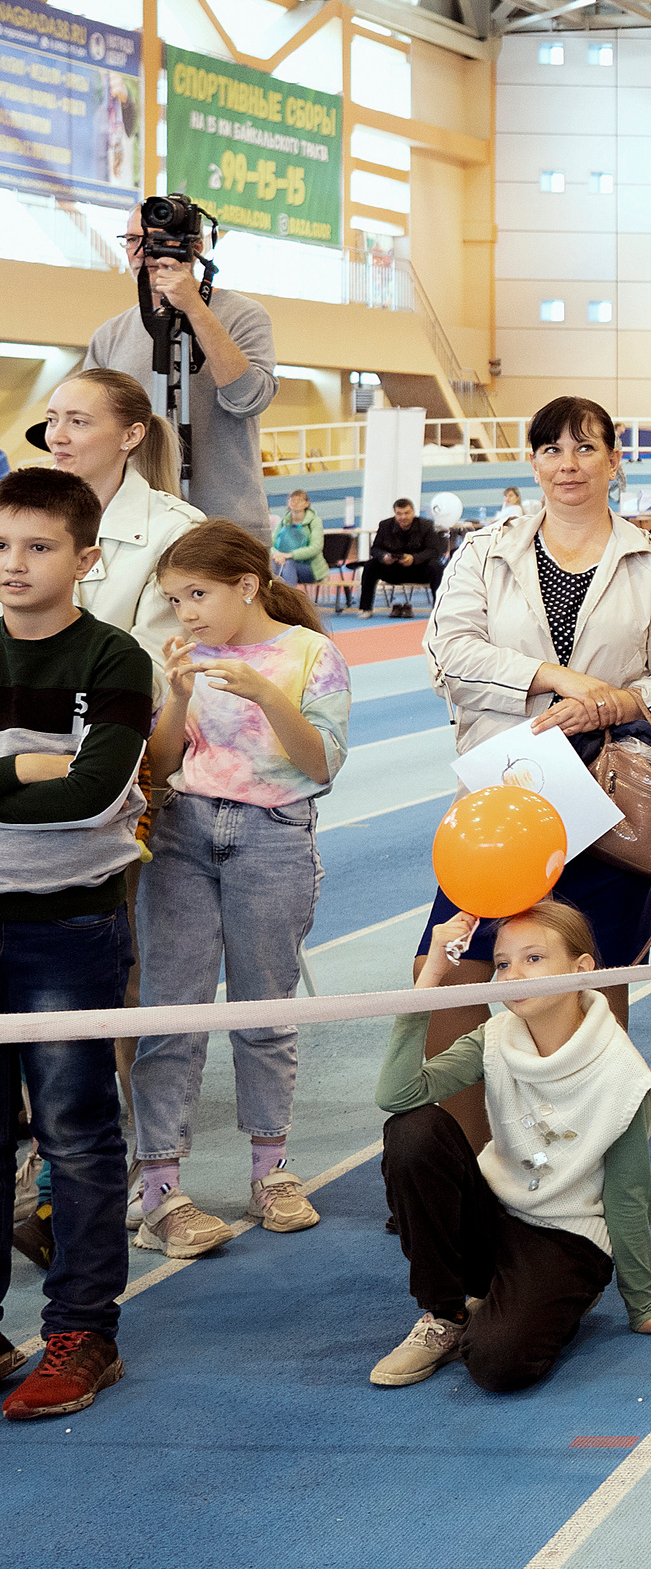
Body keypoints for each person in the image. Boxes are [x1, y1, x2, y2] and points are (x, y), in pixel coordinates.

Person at [419, 396, 651, 1149]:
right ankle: (465, 1159)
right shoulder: (487, 551)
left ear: (615, 460)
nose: (568, 464)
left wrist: (615, 701)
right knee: (451, 976)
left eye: (586, 448)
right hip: (501, 801)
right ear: (534, 460)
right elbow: (450, 651)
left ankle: (584, 1162)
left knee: (594, 984)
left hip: (607, 805)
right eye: (551, 449)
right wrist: (555, 678)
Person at [372, 903, 651, 1391]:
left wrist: (643, 1305)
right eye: (502, 963)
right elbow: (397, 1097)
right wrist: (430, 976)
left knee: (498, 1365)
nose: (514, 975)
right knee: (413, 1130)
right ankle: (447, 1312)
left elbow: (629, 1197)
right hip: (495, 1214)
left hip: (565, 1236)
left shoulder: (620, 1073)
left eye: (533, 959)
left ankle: (540, 1297)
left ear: (580, 970)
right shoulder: (494, 1038)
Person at [128, 520, 348, 1259]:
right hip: (184, 832)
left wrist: (263, 692)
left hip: (273, 833)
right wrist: (179, 693)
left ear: (247, 585)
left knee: (264, 1008)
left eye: (197, 594)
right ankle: (159, 1182)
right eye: (172, 597)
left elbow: (321, 765)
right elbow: (160, 764)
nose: (185, 611)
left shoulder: (311, 654)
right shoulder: (185, 656)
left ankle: (271, 1171)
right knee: (170, 1010)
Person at [0, 468, 154, 1420]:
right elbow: (52, 779)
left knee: (77, 1134)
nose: (13, 565)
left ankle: (82, 1332)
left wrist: (30, 772)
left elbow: (93, 793)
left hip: (69, 924)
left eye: (39, 546)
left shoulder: (114, 659)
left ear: (86, 558)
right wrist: (25, 763)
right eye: (2, 546)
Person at [86, 203, 275, 533]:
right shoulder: (110, 335)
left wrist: (194, 308)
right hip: (135, 526)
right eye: (132, 239)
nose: (142, 252)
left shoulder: (244, 315)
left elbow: (248, 400)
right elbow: (89, 425)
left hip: (226, 527)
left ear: (195, 248)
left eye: (157, 239)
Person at [35, 369, 202, 662]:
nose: (56, 437)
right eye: (52, 420)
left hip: (110, 703)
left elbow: (155, 663)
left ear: (131, 435)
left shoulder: (178, 530)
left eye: (78, 422)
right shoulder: (10, 514)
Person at [358, 498, 443, 618]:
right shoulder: (385, 525)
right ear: (395, 513)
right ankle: (365, 609)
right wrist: (384, 556)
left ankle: (439, 609)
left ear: (413, 512)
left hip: (418, 570)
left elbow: (434, 551)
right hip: (393, 569)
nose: (403, 517)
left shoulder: (426, 526)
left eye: (406, 513)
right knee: (370, 565)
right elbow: (375, 549)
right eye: (399, 514)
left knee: (437, 567)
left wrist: (414, 558)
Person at [270, 489, 325, 585]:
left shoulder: (315, 522)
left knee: (288, 564)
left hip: (309, 567)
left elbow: (316, 548)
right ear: (288, 503)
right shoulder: (282, 522)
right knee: (273, 564)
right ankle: (270, 597)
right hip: (282, 562)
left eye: (299, 500)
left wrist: (290, 555)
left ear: (307, 504)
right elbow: (270, 543)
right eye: (292, 500)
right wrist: (276, 554)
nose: (295, 503)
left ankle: (288, 598)